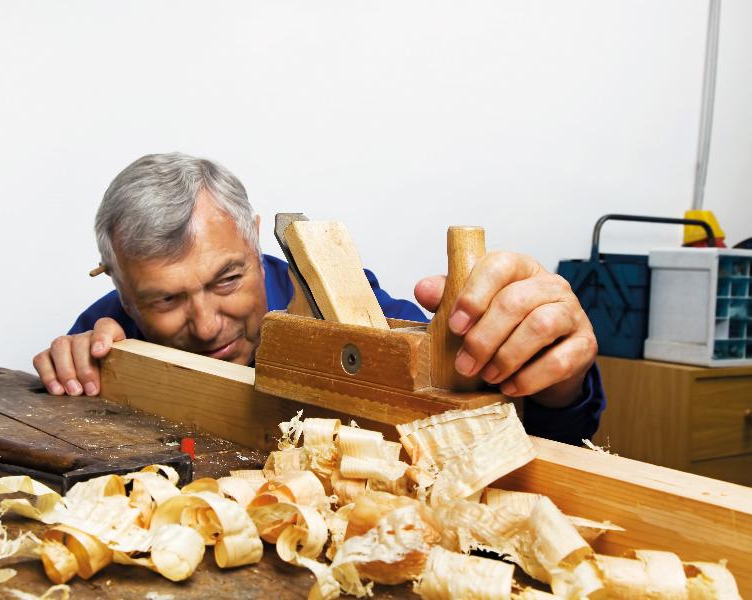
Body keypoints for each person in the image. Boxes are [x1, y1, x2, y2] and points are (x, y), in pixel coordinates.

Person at [34, 153, 603, 445]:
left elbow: (546, 433)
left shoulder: (348, 305)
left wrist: (552, 381)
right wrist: (74, 381)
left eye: (227, 279)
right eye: (164, 301)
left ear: (254, 237)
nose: (207, 325)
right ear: (120, 287)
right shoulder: (109, 327)